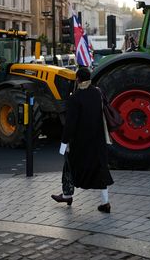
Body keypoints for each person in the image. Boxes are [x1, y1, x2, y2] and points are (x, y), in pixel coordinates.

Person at [51, 67, 114, 213]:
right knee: (100, 170)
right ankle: (105, 203)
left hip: (81, 142)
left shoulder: (75, 98)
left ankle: (67, 195)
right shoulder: (98, 93)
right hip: (98, 140)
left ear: (78, 79)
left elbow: (70, 124)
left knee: (70, 166)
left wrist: (64, 142)